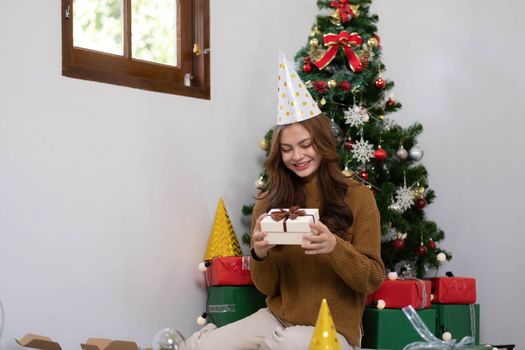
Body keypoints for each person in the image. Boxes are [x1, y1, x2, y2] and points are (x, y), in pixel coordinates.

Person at [182, 53, 384, 350]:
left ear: (322, 143)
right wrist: (261, 255)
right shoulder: (270, 202)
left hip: (332, 328)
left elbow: (372, 280)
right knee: (201, 347)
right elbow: (266, 287)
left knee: (286, 344)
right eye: (287, 149)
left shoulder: (358, 196)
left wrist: (334, 247)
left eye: (305, 145)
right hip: (277, 320)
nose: (297, 156)